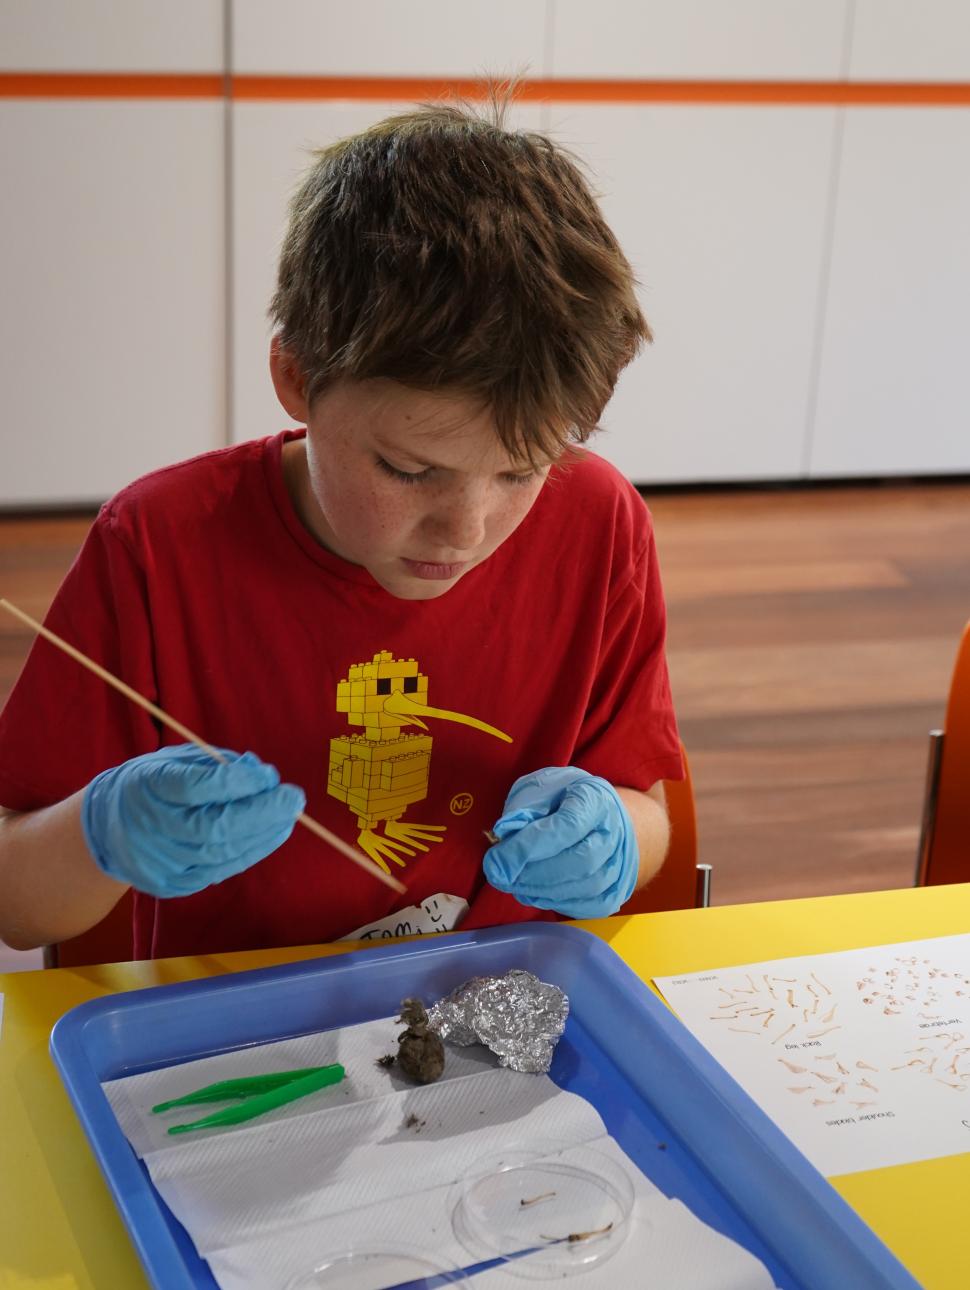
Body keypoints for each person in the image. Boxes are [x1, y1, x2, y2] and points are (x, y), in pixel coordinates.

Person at [0, 99, 682, 960]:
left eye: (522, 470)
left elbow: (643, 803)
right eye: (407, 469)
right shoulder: (158, 545)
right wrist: (100, 836)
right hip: (233, 1023)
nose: (465, 530)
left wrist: (615, 837)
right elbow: (17, 905)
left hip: (500, 1002)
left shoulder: (600, 522)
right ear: (295, 377)